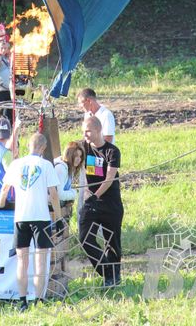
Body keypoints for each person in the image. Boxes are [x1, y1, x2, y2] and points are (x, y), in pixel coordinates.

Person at [0, 133, 62, 312]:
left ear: (28, 145)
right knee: (40, 262)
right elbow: (54, 195)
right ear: (43, 148)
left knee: (21, 262)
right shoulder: (46, 165)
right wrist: (58, 217)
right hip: (40, 217)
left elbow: (5, 189)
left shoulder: (16, 164)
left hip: (21, 217)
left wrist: (1, 203)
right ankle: (39, 300)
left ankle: (22, 300)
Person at [79, 116, 123, 287]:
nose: (85, 135)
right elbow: (68, 155)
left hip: (110, 203)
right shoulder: (83, 146)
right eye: (83, 131)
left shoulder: (112, 151)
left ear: (98, 130)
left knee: (112, 243)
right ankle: (107, 271)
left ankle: (113, 279)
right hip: (92, 203)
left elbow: (109, 178)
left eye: (88, 131)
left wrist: (95, 195)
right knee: (85, 239)